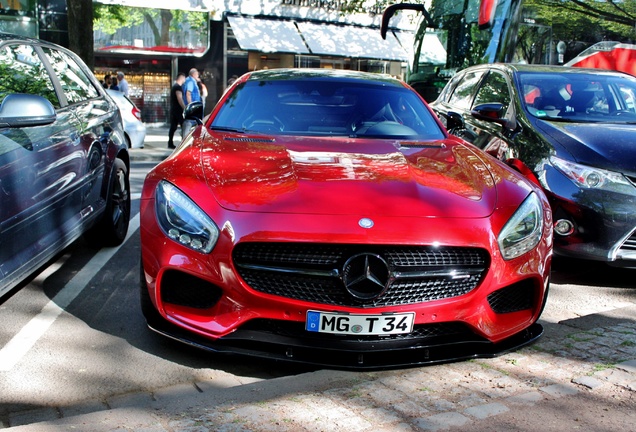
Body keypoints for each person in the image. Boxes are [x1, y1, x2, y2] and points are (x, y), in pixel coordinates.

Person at [182, 68, 203, 138]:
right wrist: (191, 106)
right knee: (189, 123)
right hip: (193, 107)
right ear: (193, 74)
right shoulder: (191, 82)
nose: (198, 76)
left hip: (193, 107)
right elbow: (188, 93)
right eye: (197, 74)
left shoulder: (189, 80)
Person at [168, 72, 186, 149]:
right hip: (178, 110)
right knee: (184, 126)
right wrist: (185, 108)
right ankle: (184, 142)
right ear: (182, 78)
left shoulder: (174, 87)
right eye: (184, 78)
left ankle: (170, 142)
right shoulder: (178, 87)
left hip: (174, 109)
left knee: (173, 127)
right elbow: (180, 99)